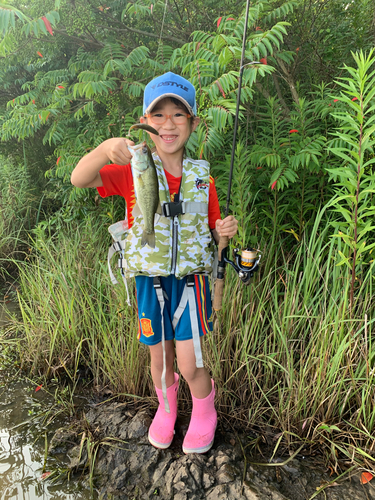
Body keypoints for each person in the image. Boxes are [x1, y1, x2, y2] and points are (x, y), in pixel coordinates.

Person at [71, 72, 238, 454]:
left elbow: (213, 231)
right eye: (158, 115)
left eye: (178, 115)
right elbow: (79, 178)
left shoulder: (202, 180)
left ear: (192, 123)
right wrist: (104, 148)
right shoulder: (134, 171)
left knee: (189, 362)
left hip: (192, 284)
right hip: (150, 281)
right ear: (145, 125)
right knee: (159, 358)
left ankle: (204, 412)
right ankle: (166, 408)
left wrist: (224, 230)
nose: (168, 123)